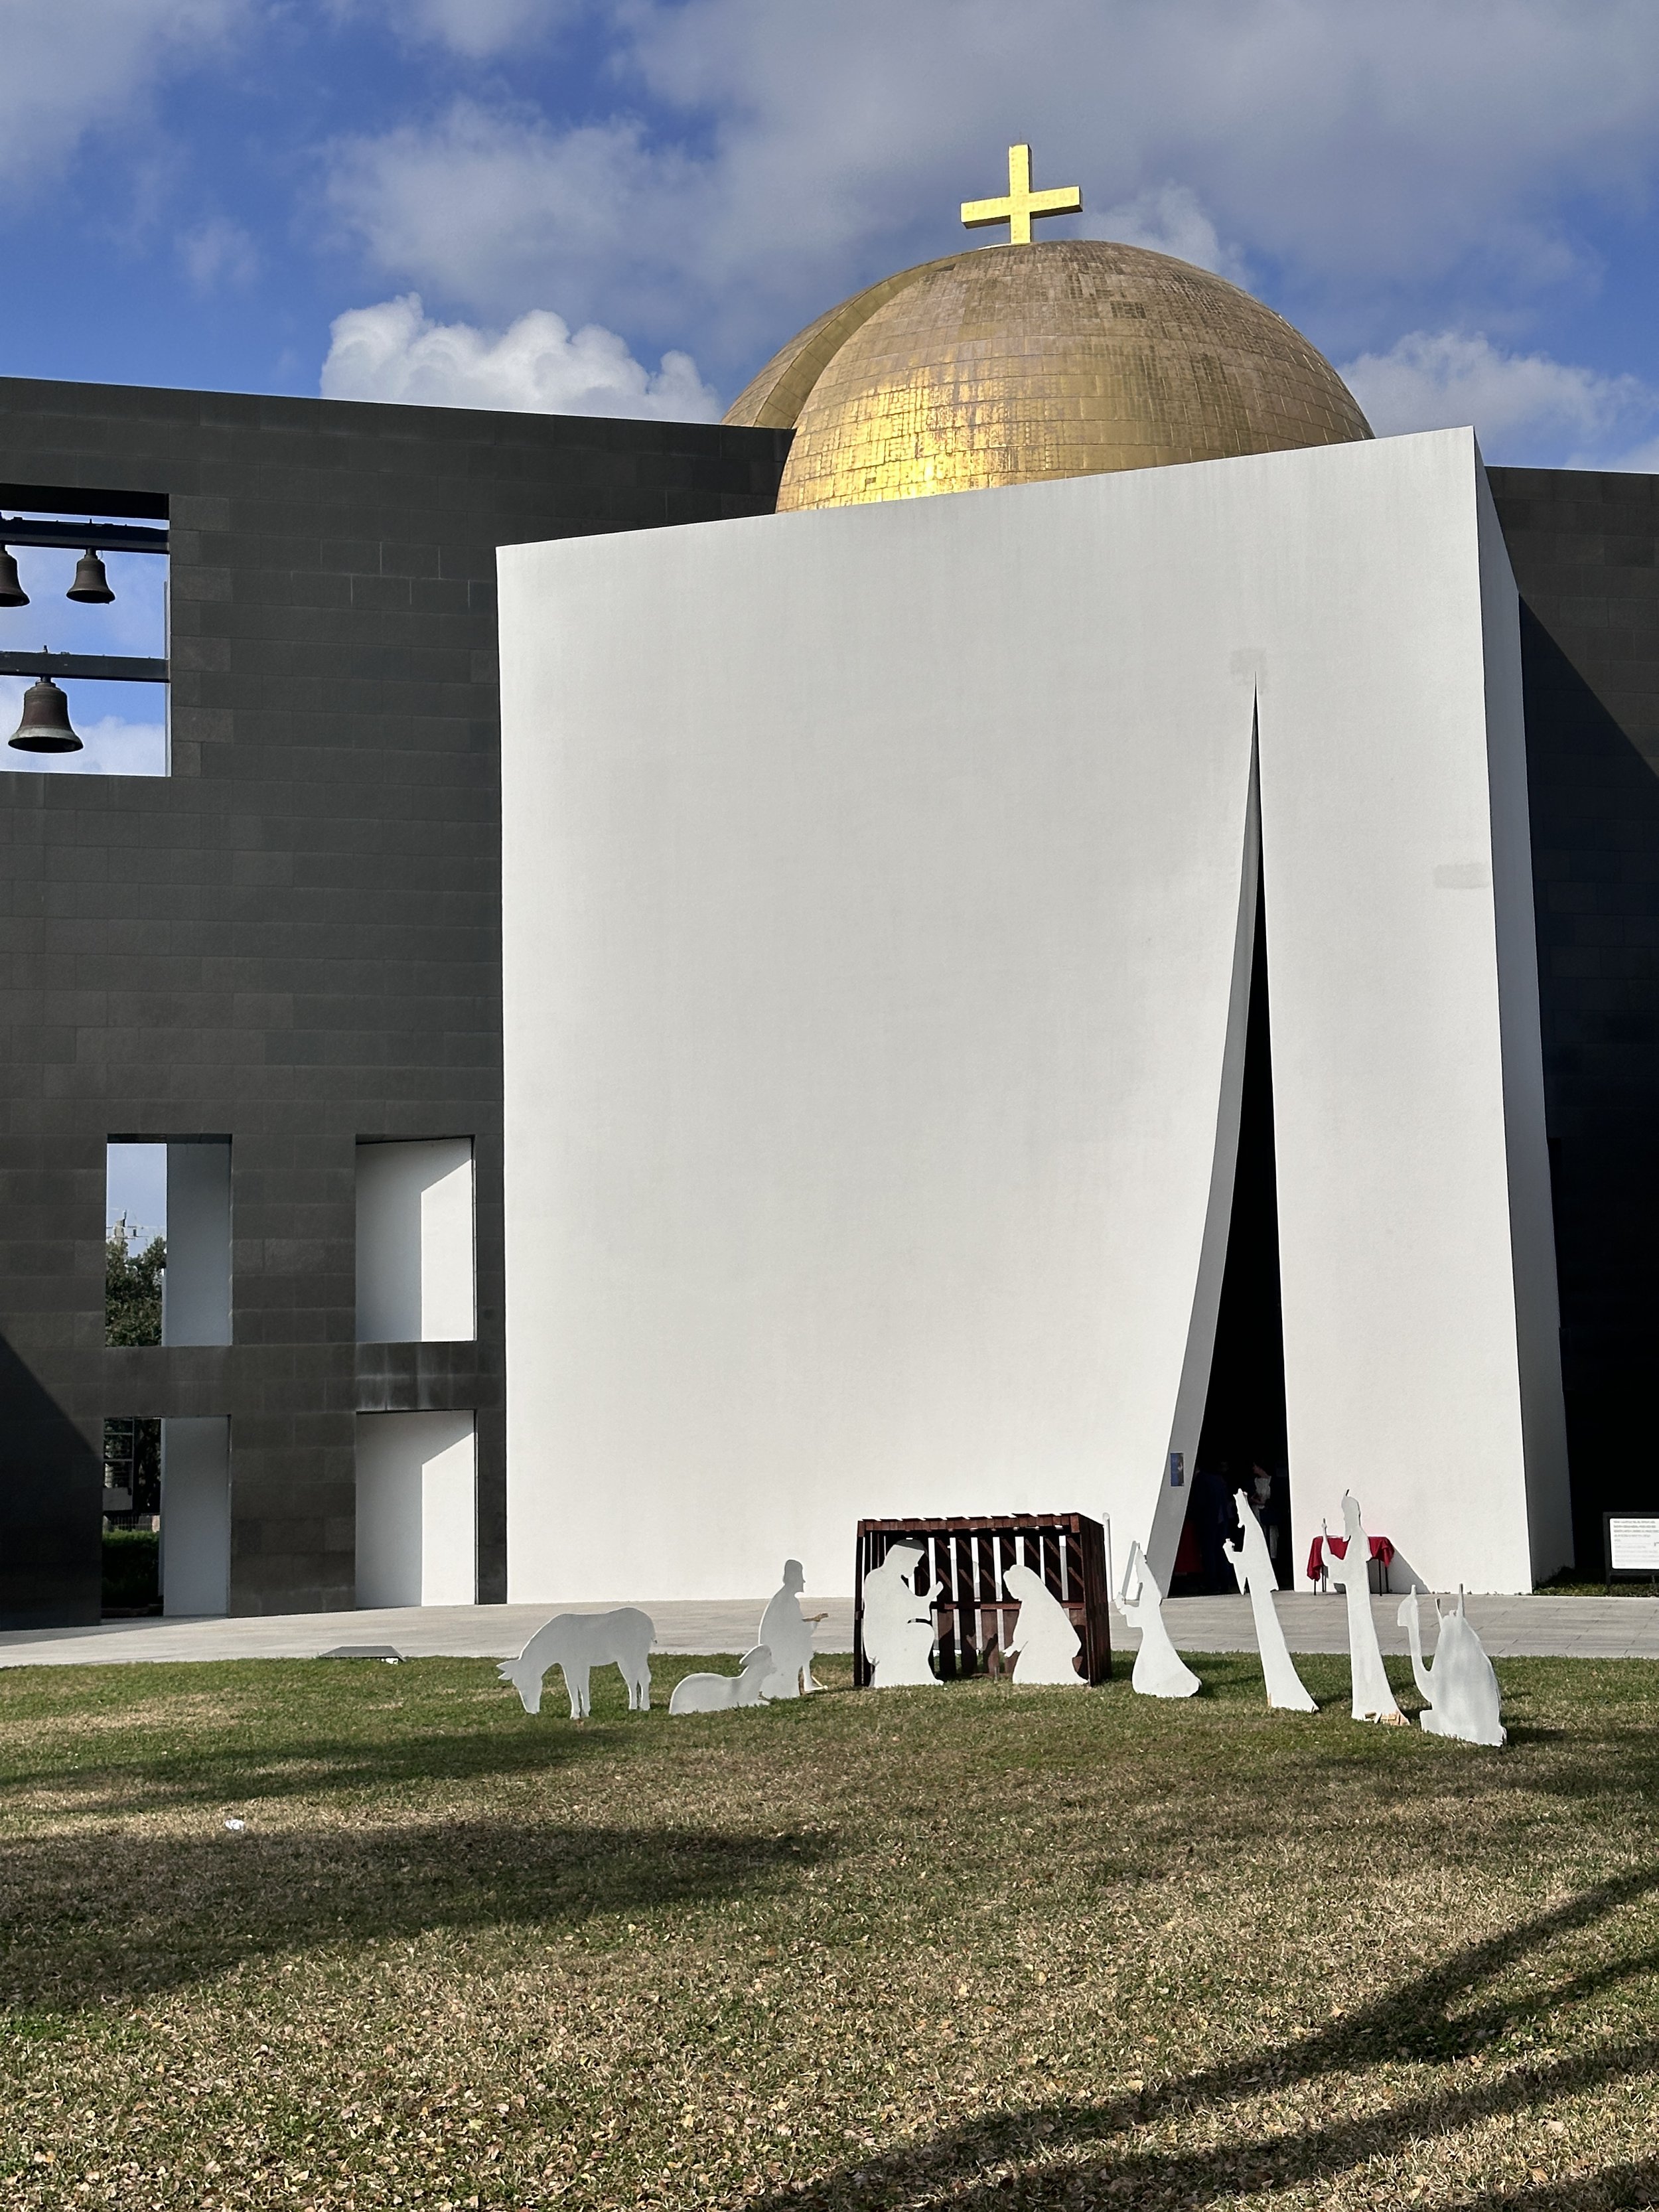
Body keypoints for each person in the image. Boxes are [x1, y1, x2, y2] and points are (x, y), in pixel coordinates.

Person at [757, 1559, 823, 1699]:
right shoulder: (788, 1600)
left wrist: (811, 1621)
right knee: (804, 1644)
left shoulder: (783, 1598)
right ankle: (806, 1683)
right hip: (778, 1647)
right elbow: (794, 1628)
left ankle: (807, 1682)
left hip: (778, 1643)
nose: (803, 1581)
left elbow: (792, 1624)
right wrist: (814, 1623)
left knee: (804, 1642)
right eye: (800, 1577)